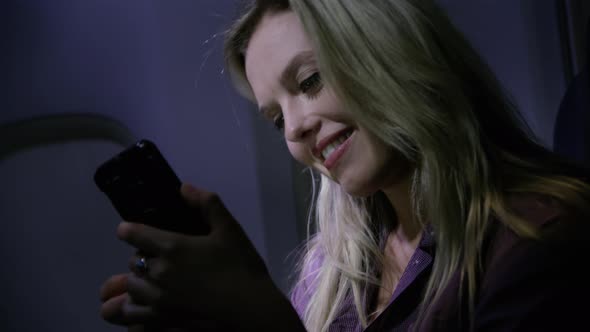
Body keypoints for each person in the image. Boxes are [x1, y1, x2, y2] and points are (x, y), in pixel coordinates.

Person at [100, 0, 590, 331]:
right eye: (276, 119)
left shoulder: (537, 240)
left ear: (390, 54)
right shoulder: (328, 271)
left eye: (310, 81)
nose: (293, 131)